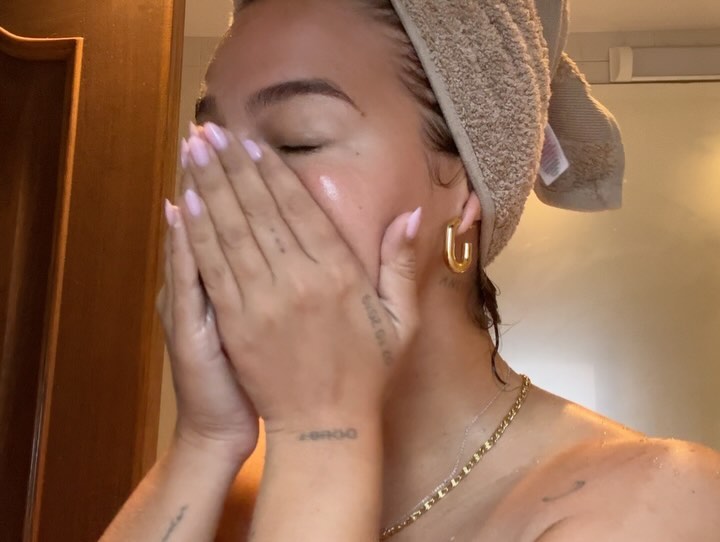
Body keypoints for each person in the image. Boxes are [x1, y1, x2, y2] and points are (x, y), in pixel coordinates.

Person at [101, 0, 720, 540]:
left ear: (468, 189)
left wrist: (324, 431)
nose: (226, 192)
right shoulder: (231, 488)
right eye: (207, 148)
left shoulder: (661, 501)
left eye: (297, 140)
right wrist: (204, 441)